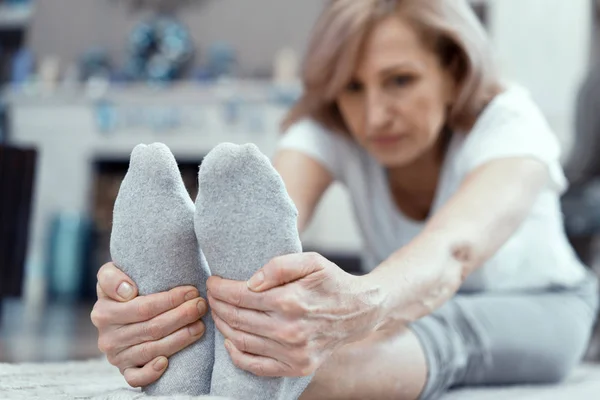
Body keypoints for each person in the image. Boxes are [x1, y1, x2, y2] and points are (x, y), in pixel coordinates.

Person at [91, 0, 600, 399]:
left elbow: (453, 252)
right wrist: (169, 312)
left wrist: (362, 303)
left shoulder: (511, 121)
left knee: (442, 332)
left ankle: (261, 376)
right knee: (310, 328)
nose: (375, 114)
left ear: (451, 71)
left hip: (541, 304)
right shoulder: (332, 124)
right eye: (353, 88)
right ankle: (204, 358)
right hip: (404, 307)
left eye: (400, 80)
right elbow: (260, 218)